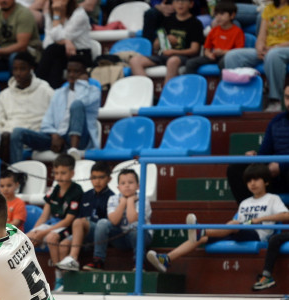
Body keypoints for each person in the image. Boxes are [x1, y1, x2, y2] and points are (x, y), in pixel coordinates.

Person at [149, 164, 286, 276]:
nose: (252, 183)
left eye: (256, 179)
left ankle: (201, 230)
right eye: (249, 181)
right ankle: (167, 259)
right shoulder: (245, 202)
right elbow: (236, 224)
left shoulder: (273, 198)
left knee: (234, 224)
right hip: (238, 232)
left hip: (257, 235)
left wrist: (262, 218)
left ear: (266, 181)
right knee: (202, 239)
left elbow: (286, 215)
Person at [10, 57, 100, 163]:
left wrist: (81, 84)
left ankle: (73, 151)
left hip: (80, 140)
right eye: (69, 71)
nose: (71, 75)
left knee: (76, 105)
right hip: (57, 138)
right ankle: (16, 173)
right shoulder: (58, 93)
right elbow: (46, 123)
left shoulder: (93, 91)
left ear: (84, 73)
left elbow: (82, 102)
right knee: (17, 133)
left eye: (76, 72)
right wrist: (54, 135)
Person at [224, 0, 289, 112]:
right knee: (232, 56)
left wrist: (276, 47)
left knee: (273, 55)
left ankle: (275, 100)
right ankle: (238, 99)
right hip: (269, 50)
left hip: (283, 49)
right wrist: (260, 46)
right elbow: (261, 35)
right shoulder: (269, 8)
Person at [24, 154, 83, 289]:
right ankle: (27, 281)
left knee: (51, 237)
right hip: (53, 224)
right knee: (27, 238)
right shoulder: (54, 190)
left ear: (72, 173)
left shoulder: (76, 190)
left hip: (67, 226)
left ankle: (59, 278)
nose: (59, 176)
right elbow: (44, 216)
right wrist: (35, 232)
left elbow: (68, 220)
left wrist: (43, 232)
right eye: (56, 173)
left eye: (63, 173)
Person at [128, 0, 203, 84]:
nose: (180, 3)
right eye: (177, 0)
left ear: (191, 4)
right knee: (135, 61)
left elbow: (194, 50)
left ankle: (166, 95)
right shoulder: (167, 21)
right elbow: (155, 46)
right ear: (173, 3)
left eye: (184, 0)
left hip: (182, 57)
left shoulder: (195, 23)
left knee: (172, 61)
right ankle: (148, 92)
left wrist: (173, 51)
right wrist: (164, 40)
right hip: (165, 55)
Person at [227, 85, 289, 203]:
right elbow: (265, 153)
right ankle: (248, 212)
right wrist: (255, 158)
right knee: (235, 169)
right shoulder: (276, 122)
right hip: (275, 176)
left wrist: (281, 166)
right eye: (287, 98)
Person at [85, 167, 151, 273]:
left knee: (135, 227)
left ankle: (139, 263)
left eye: (131, 182)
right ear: (118, 187)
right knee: (102, 223)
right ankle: (98, 260)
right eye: (123, 183)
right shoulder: (113, 199)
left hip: (141, 237)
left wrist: (130, 202)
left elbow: (133, 219)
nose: (127, 185)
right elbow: (114, 221)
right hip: (120, 238)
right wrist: (123, 203)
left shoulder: (143, 199)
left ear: (138, 186)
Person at [0, 52, 53, 162]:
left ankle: (16, 173)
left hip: (37, 137)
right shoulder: (4, 94)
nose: (18, 73)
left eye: (22, 69)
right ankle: (5, 174)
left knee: (18, 133)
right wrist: (5, 135)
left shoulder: (46, 91)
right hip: (10, 138)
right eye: (15, 69)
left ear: (31, 69)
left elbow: (56, 117)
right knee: (6, 136)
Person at [56, 161, 112, 272]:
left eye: (101, 177)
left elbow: (108, 224)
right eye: (94, 178)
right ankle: (63, 281)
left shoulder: (111, 197)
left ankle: (73, 258)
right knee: (64, 244)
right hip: (83, 233)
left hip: (101, 235)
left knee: (78, 222)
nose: (97, 181)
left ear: (109, 179)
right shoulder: (86, 196)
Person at [36, 0, 92, 89]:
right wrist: (66, 41)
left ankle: (37, 86)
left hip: (79, 53)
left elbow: (58, 38)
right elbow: (47, 43)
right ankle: (52, 96)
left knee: (53, 50)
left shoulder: (80, 15)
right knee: (55, 63)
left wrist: (57, 15)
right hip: (60, 53)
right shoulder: (49, 15)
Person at [185, 0, 244, 74]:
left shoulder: (238, 31)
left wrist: (223, 52)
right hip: (214, 56)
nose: (218, 17)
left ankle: (222, 85)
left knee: (223, 63)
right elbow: (207, 49)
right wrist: (209, 55)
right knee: (190, 63)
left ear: (232, 15)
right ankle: (191, 84)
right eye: (216, 14)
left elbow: (239, 51)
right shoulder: (213, 30)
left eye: (222, 14)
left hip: (227, 57)